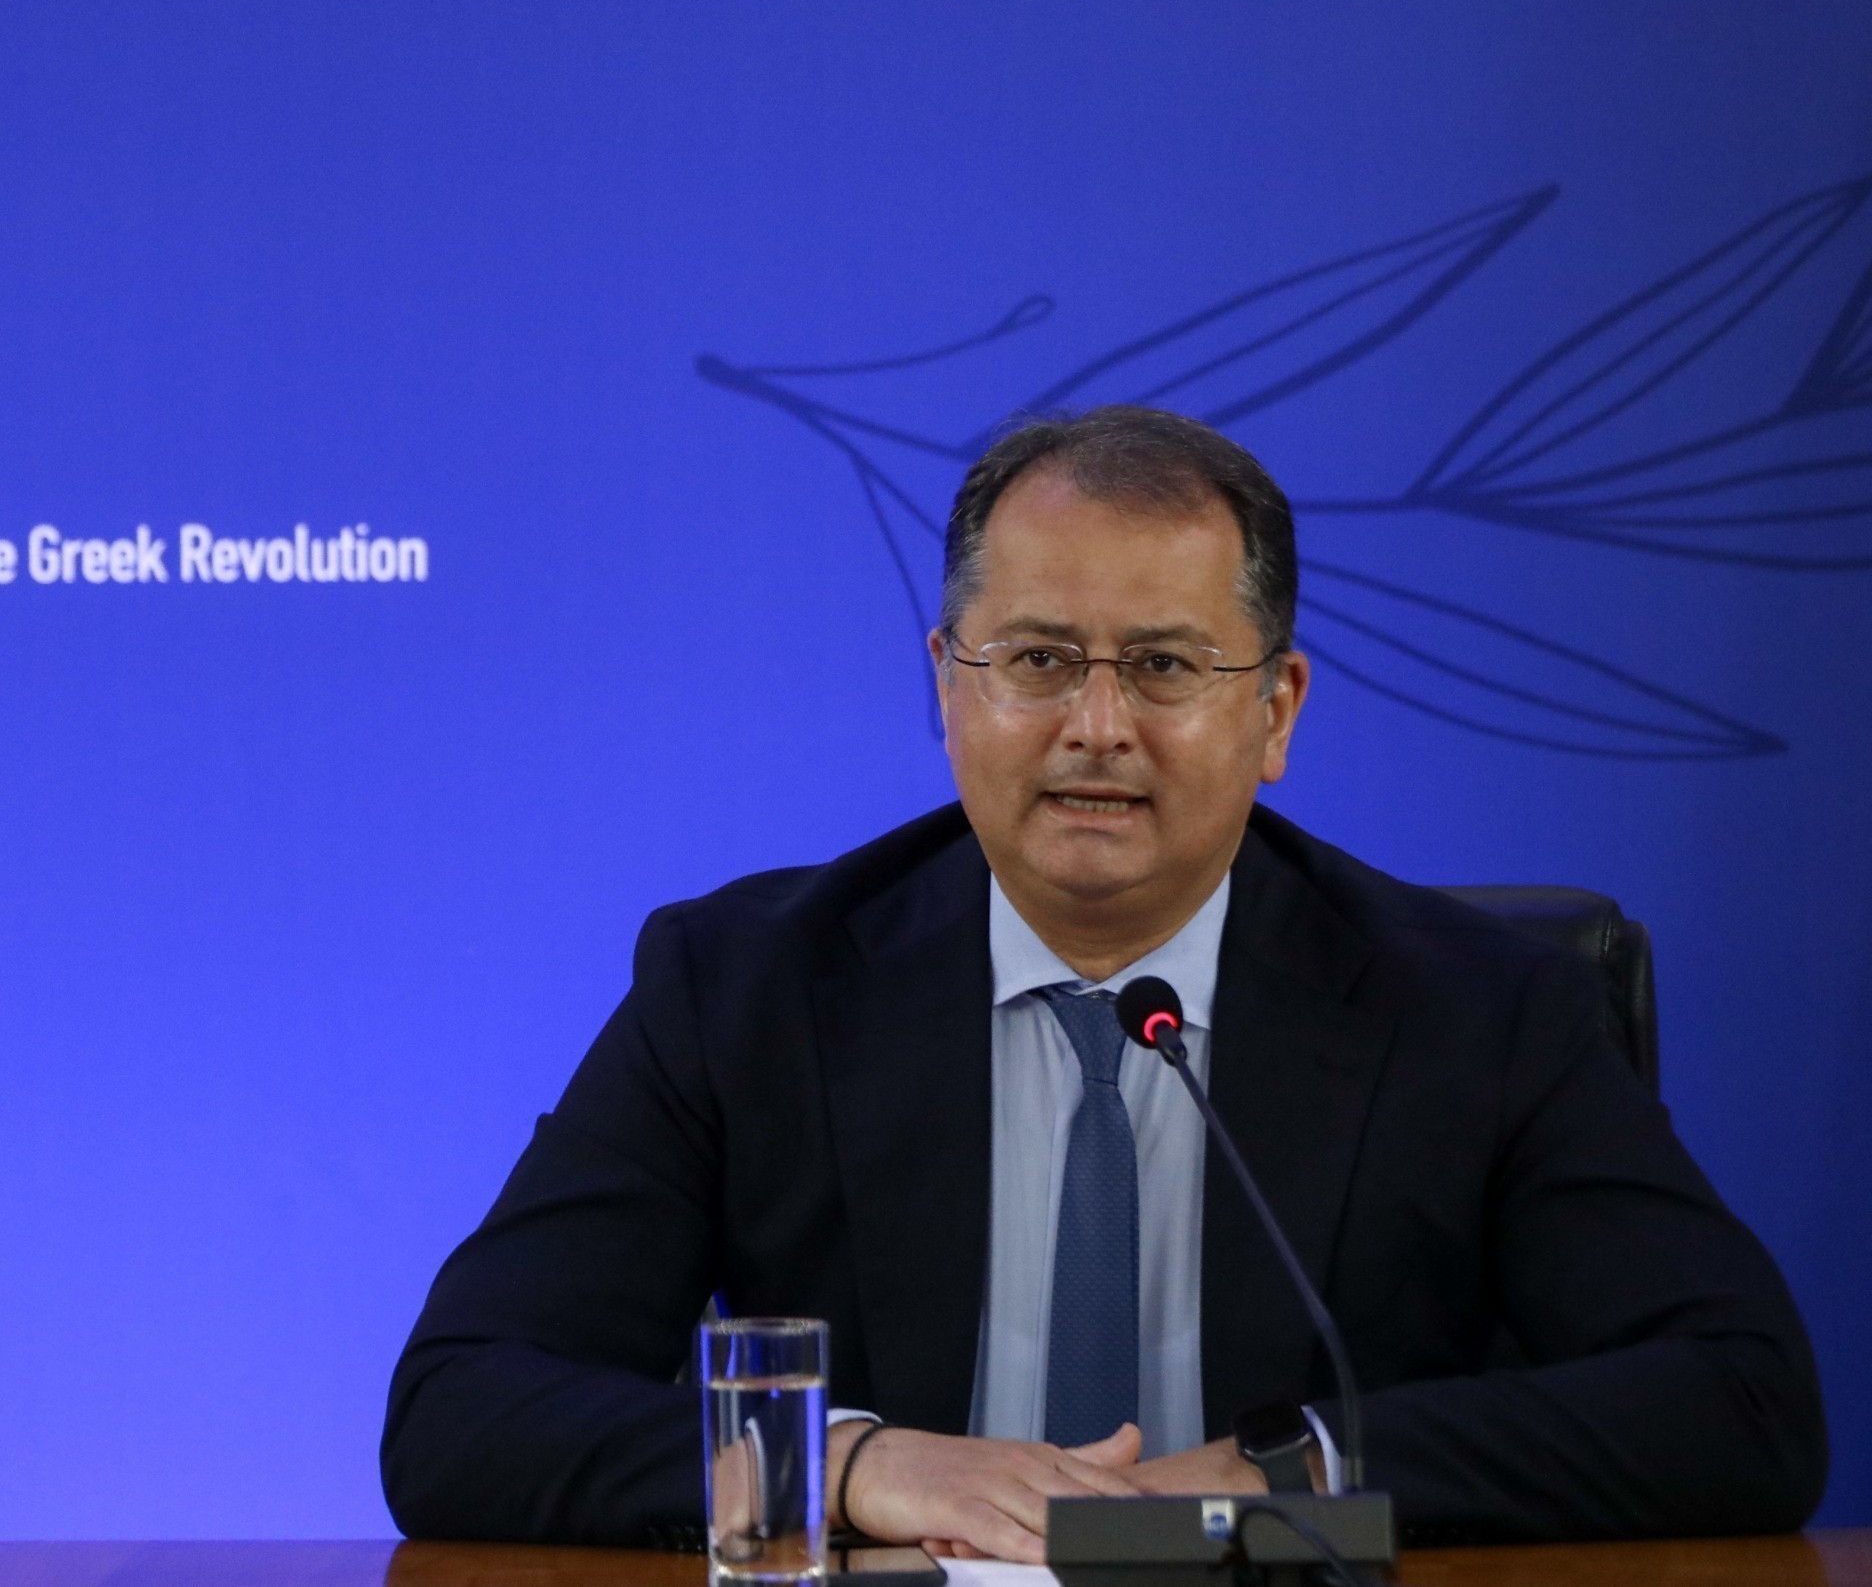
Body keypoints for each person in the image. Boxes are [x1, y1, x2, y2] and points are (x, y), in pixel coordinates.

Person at [381, 406, 1825, 1558]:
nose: (1096, 725)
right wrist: (853, 1465)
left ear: (1276, 712)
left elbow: (1744, 1398)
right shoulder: (746, 986)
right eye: (1039, 658)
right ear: (949, 686)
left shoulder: (1478, 1011)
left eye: (1166, 667)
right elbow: (461, 1403)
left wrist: (1292, 1473)